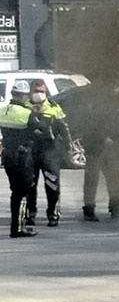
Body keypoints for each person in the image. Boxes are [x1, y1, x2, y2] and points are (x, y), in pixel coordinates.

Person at [81, 78, 119, 221]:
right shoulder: (98, 103)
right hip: (95, 146)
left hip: (108, 146)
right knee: (92, 178)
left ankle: (115, 205)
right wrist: (103, 137)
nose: (117, 88)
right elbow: (92, 124)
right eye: (115, 85)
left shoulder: (111, 102)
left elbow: (114, 122)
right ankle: (89, 209)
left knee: (113, 177)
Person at [0, 80, 39, 238]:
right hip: (22, 156)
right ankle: (18, 227)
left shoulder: (3, 111)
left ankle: (15, 226)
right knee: (23, 191)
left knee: (15, 192)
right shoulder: (27, 113)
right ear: (24, 96)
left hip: (8, 156)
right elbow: (39, 131)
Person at [27, 88, 70, 227]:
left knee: (52, 185)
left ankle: (53, 215)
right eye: (36, 90)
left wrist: (68, 147)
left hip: (50, 152)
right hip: (31, 152)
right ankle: (30, 215)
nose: (38, 93)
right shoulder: (25, 108)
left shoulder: (54, 108)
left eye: (41, 90)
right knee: (29, 185)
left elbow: (64, 129)